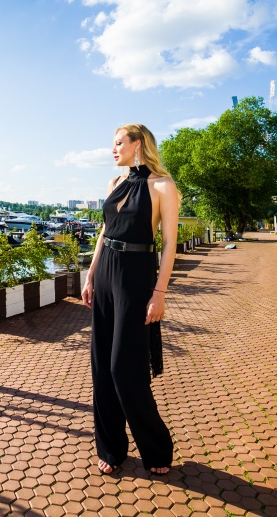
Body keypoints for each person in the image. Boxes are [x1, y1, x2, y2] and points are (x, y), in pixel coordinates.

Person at [81, 123, 179, 476]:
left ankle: (156, 448)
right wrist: (90, 275)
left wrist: (159, 293)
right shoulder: (115, 183)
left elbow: (169, 244)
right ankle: (111, 448)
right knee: (101, 368)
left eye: (119, 143)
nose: (113, 149)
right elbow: (104, 232)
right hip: (106, 272)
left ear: (138, 144)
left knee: (125, 369)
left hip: (136, 277)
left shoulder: (163, 186)